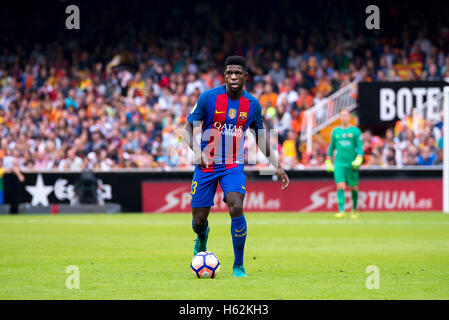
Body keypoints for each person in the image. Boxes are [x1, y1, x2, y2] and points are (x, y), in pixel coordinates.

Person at [182, 56, 290, 277]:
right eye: (229, 73)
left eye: (237, 73)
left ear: (245, 76)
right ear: (224, 75)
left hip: (233, 163)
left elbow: (260, 137)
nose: (233, 77)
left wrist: (277, 166)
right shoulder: (207, 98)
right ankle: (202, 236)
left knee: (236, 206)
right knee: (198, 220)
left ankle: (238, 265)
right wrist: (198, 151)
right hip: (207, 164)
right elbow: (186, 129)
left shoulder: (252, 105)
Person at [325, 108, 364, 219]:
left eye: (346, 115)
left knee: (353, 187)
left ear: (349, 117)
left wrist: (359, 158)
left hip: (351, 163)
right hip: (339, 163)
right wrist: (328, 160)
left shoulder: (355, 132)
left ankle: (354, 209)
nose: (344, 117)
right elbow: (331, 147)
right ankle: (341, 210)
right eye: (342, 115)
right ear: (340, 117)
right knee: (340, 185)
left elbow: (360, 147)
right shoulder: (336, 132)